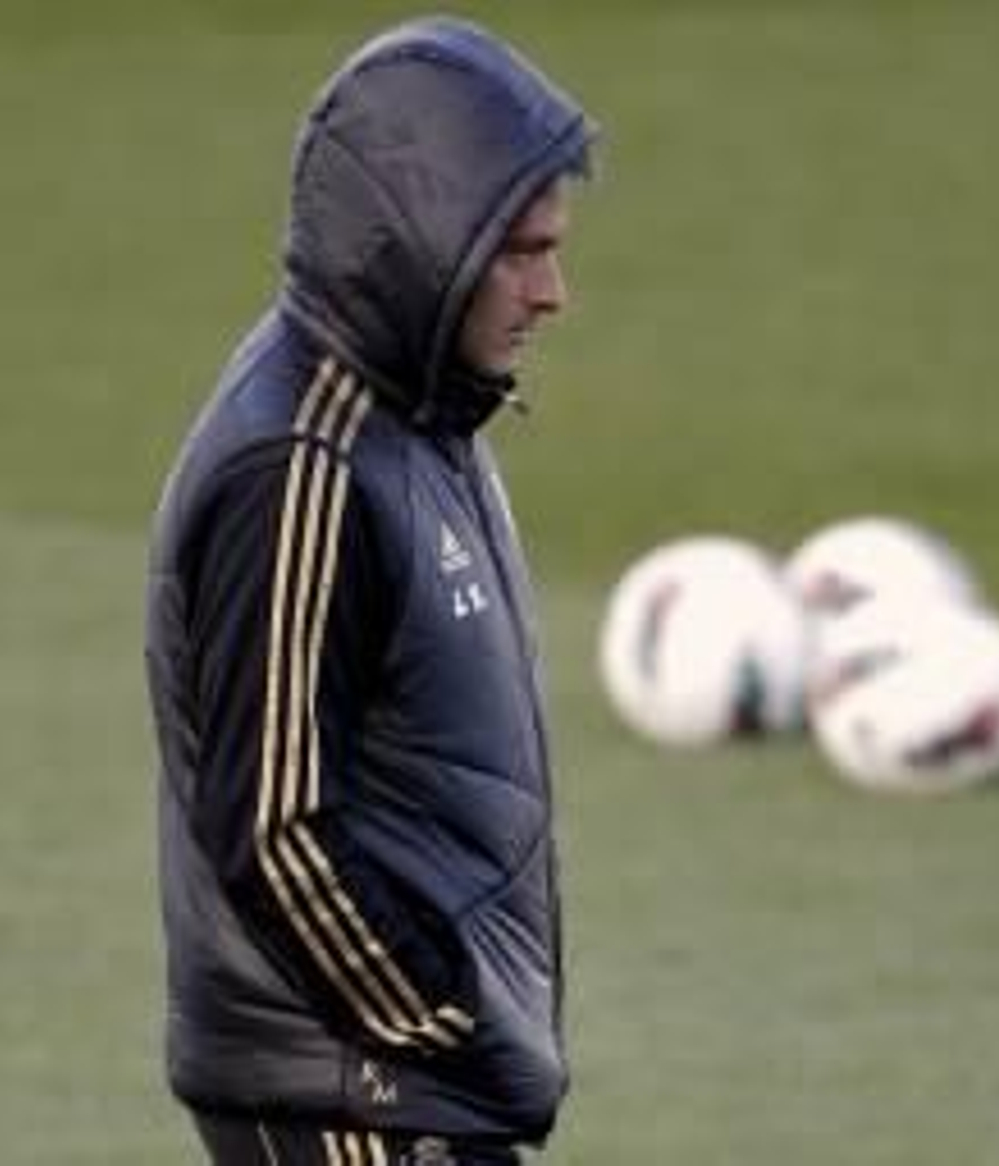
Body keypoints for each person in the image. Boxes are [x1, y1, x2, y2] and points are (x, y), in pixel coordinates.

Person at [143, 16, 597, 1164]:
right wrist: (439, 1021)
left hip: (397, 1092)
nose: (555, 292)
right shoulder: (305, 466)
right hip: (356, 1096)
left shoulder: (415, 412)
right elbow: (273, 826)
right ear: (421, 245)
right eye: (524, 251)